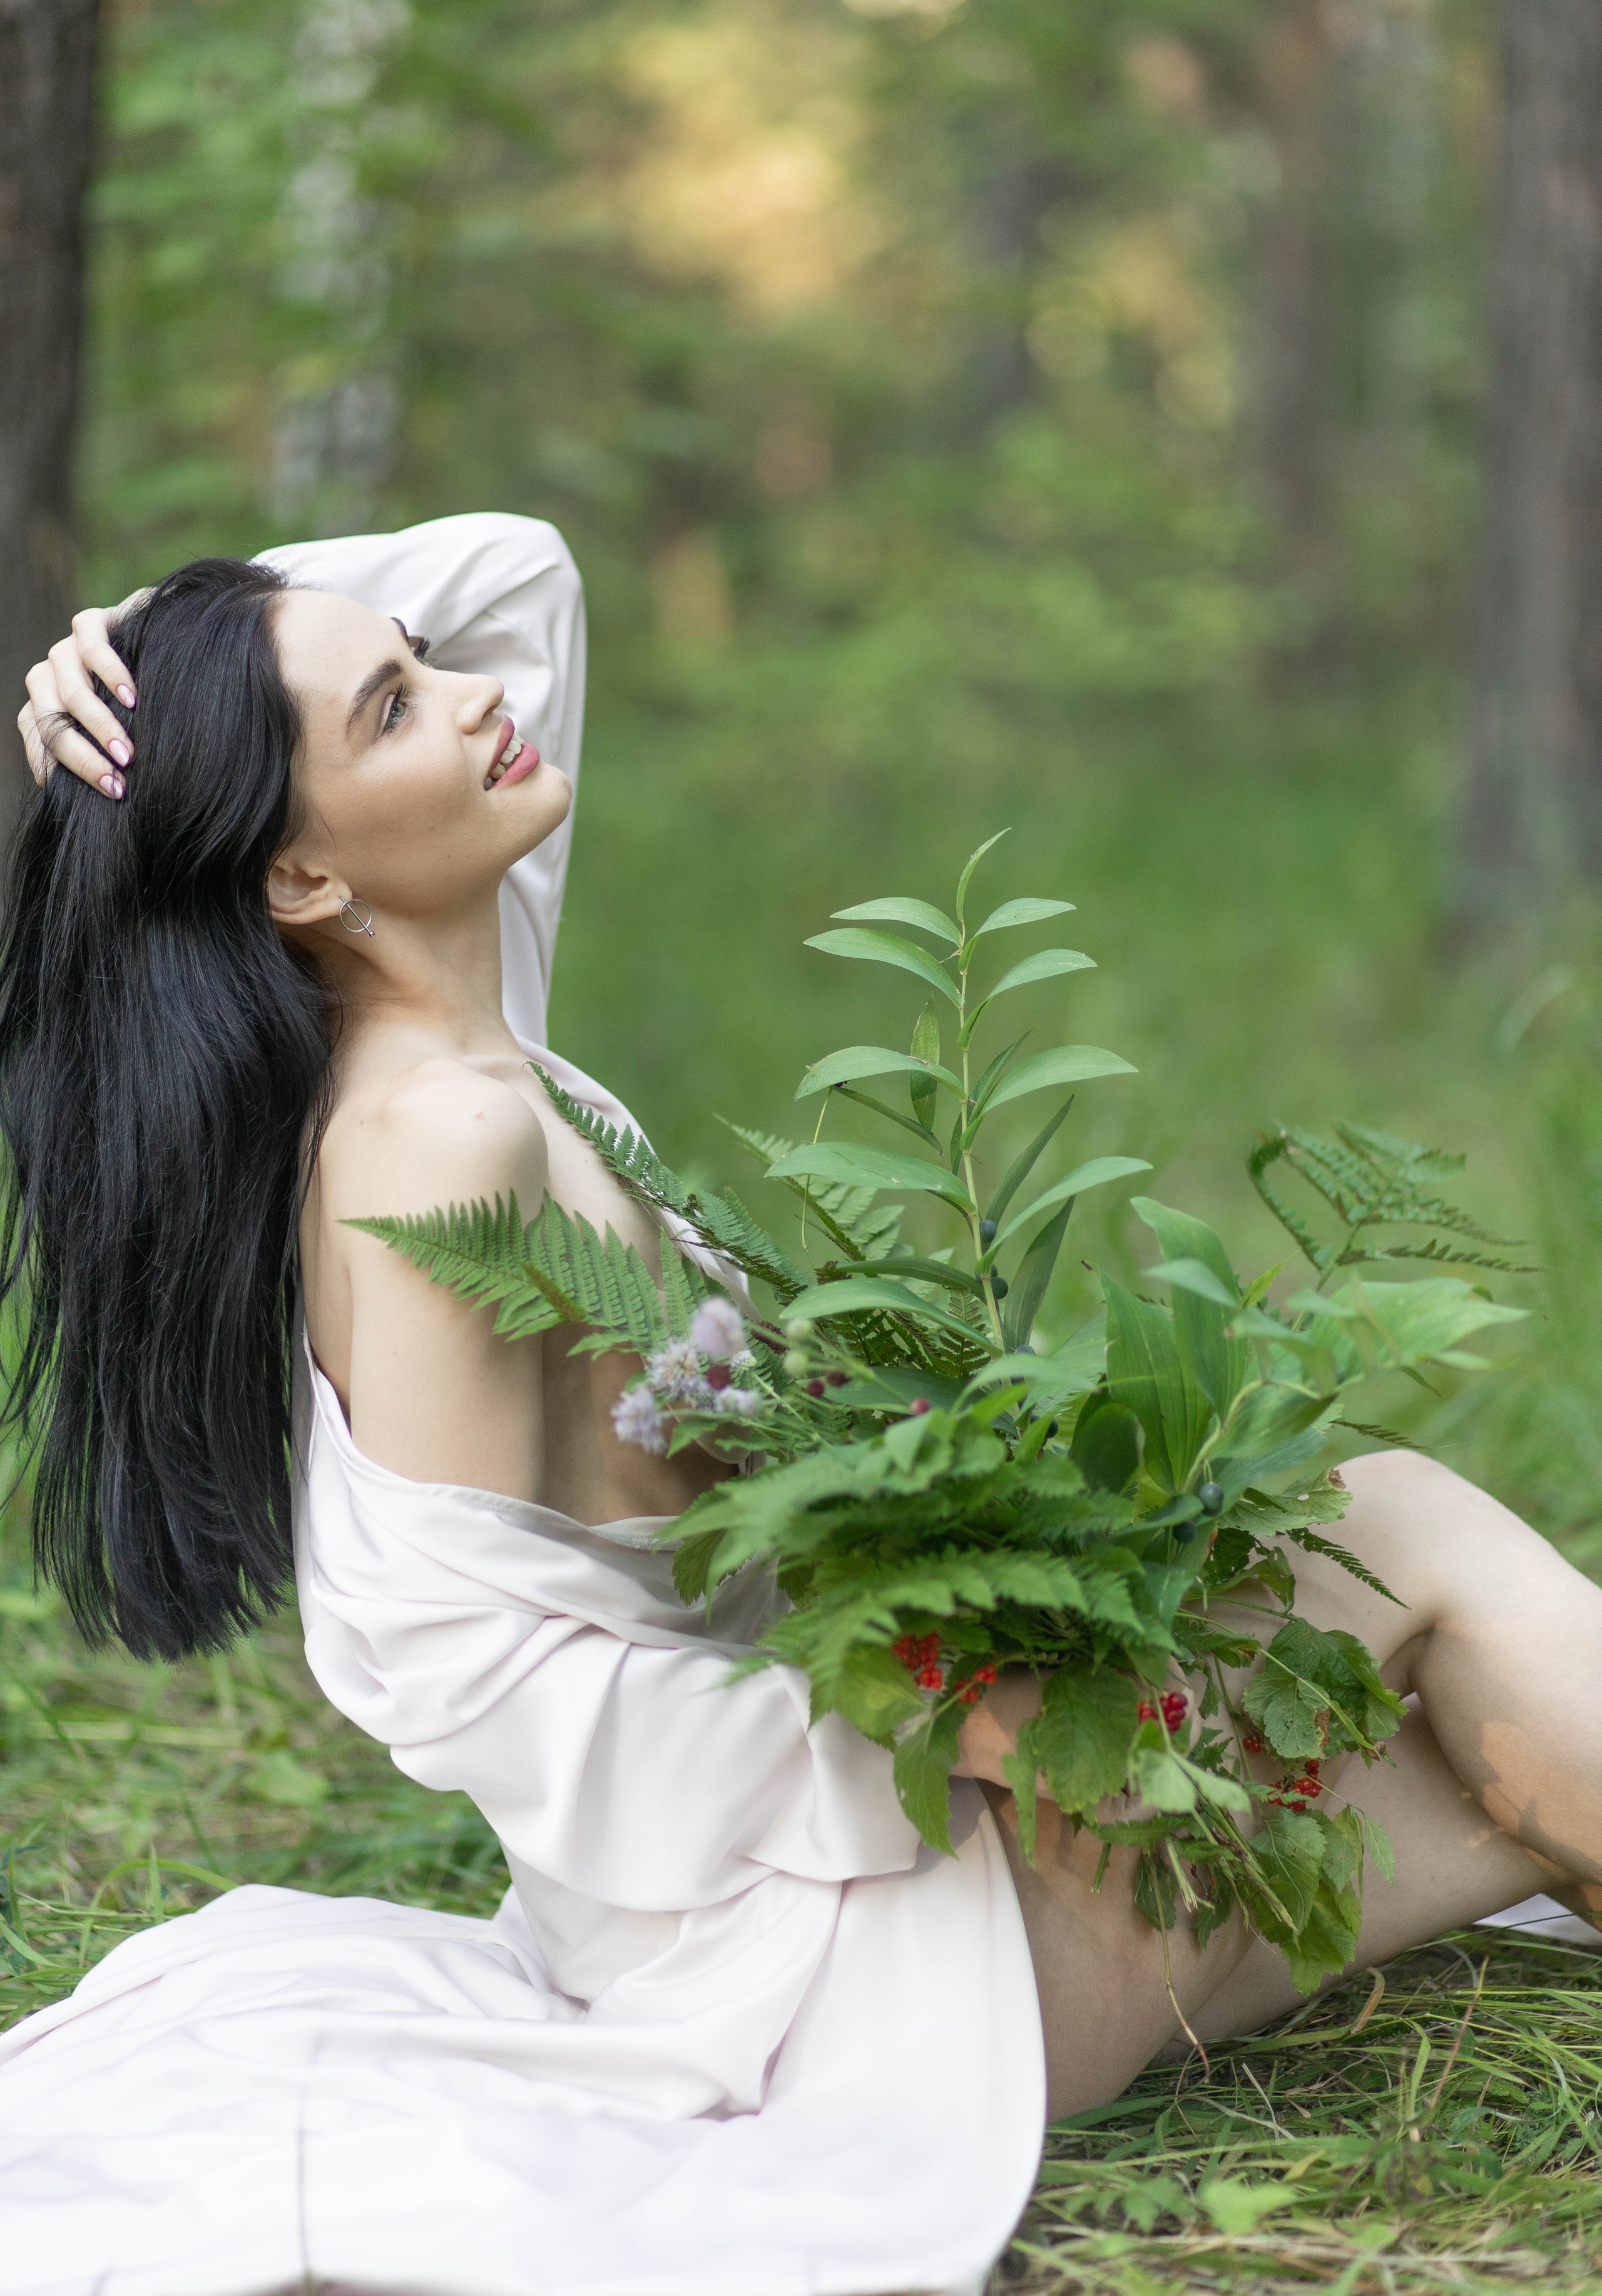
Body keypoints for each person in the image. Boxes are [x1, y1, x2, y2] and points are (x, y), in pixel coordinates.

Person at [0, 513, 1598, 2296]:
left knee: (1478, 1769)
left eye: (420, 665)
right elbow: (473, 1676)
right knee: (1408, 1538)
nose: (472, 703)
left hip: (804, 1905)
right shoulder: (439, 1134)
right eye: (394, 709)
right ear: (301, 880)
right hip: (814, 1963)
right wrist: (943, 1732)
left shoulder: (470, 1029)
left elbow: (517, 570)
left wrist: (150, 646)